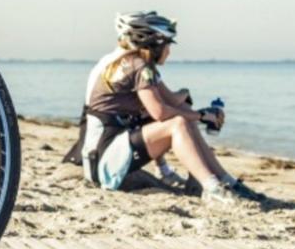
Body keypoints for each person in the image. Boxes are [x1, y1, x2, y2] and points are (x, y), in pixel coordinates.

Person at [63, 11, 268, 205]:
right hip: (104, 161)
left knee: (183, 119)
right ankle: (213, 188)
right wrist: (201, 115)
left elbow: (171, 99)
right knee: (177, 124)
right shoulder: (139, 67)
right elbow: (159, 112)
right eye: (167, 45)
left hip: (103, 153)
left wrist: (202, 112)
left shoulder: (131, 63)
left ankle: (226, 182)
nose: (169, 51)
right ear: (154, 43)